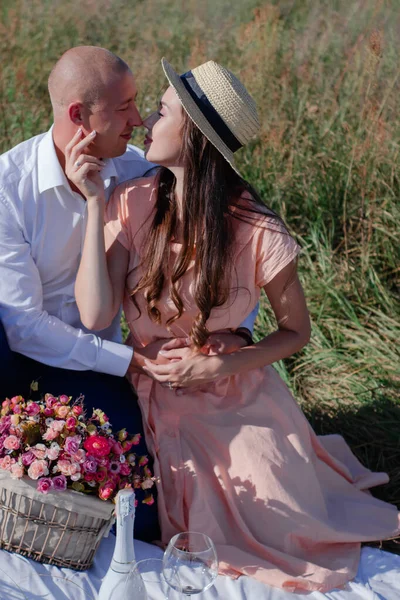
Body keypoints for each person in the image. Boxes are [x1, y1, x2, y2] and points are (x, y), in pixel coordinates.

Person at [71, 57, 400, 593]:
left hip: (235, 385)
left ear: (197, 137)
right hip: (151, 380)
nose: (147, 124)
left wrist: (221, 362)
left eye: (161, 112)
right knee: (189, 504)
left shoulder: (256, 228)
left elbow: (297, 331)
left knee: (277, 504)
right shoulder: (129, 202)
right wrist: (92, 204)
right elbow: (95, 315)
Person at [0, 46, 256, 542]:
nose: (140, 120)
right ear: (79, 115)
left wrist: (240, 330)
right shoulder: (9, 187)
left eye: (141, 104)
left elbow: (229, 244)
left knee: (139, 513)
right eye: (124, 108)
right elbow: (23, 325)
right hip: (20, 354)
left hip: (100, 364)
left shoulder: (140, 173)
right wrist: (128, 360)